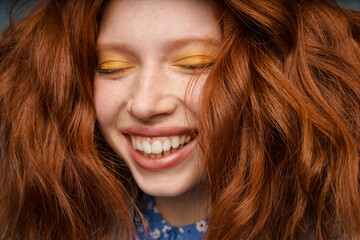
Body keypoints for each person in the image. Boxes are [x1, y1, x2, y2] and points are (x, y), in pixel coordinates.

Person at [0, 0, 359, 239]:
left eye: (195, 63)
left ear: (270, 76)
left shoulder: (337, 225)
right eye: (113, 67)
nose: (144, 104)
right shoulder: (65, 221)